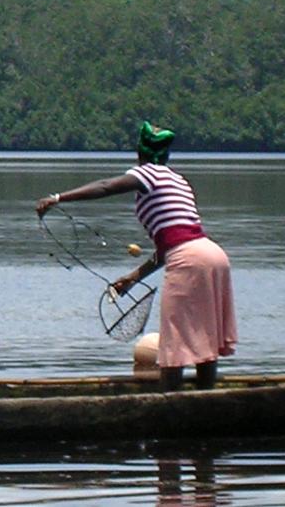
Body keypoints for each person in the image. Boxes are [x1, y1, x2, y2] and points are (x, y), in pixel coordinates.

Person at [34, 122, 237, 390]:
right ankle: (206, 396)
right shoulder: (178, 179)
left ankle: (171, 402)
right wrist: (133, 278)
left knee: (174, 339)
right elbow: (169, 247)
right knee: (206, 334)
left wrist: (58, 198)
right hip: (212, 254)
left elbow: (107, 186)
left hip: (188, 259)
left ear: (140, 154)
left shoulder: (147, 174)